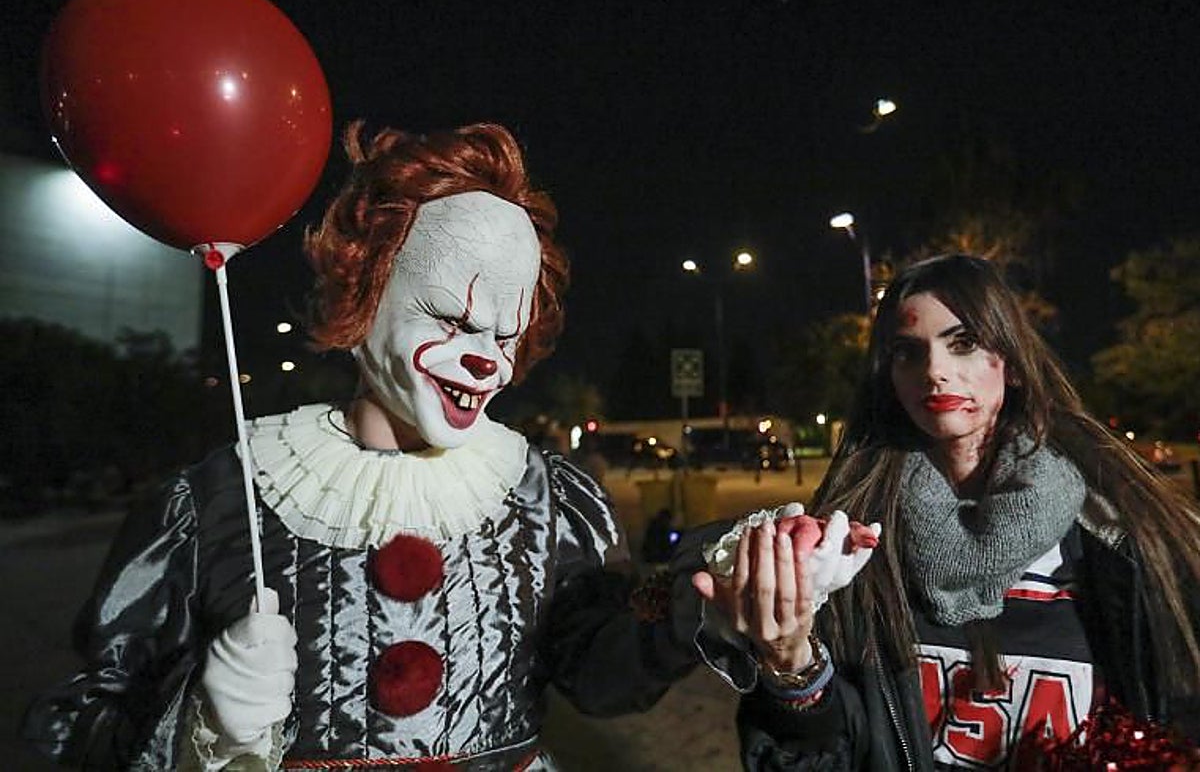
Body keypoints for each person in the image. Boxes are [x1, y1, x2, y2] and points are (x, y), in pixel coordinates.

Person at [23, 121, 710, 770]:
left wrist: (701, 599)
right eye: (450, 318)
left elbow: (601, 671)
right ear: (365, 288)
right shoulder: (219, 499)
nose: (487, 362)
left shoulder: (548, 497)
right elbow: (80, 724)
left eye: (506, 335)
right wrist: (197, 716)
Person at [694, 254, 1200, 768]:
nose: (935, 372)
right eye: (907, 353)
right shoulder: (851, 544)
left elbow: (1180, 716)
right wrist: (791, 670)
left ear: (1014, 364)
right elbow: (823, 756)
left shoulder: (1122, 537)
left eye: (964, 343)